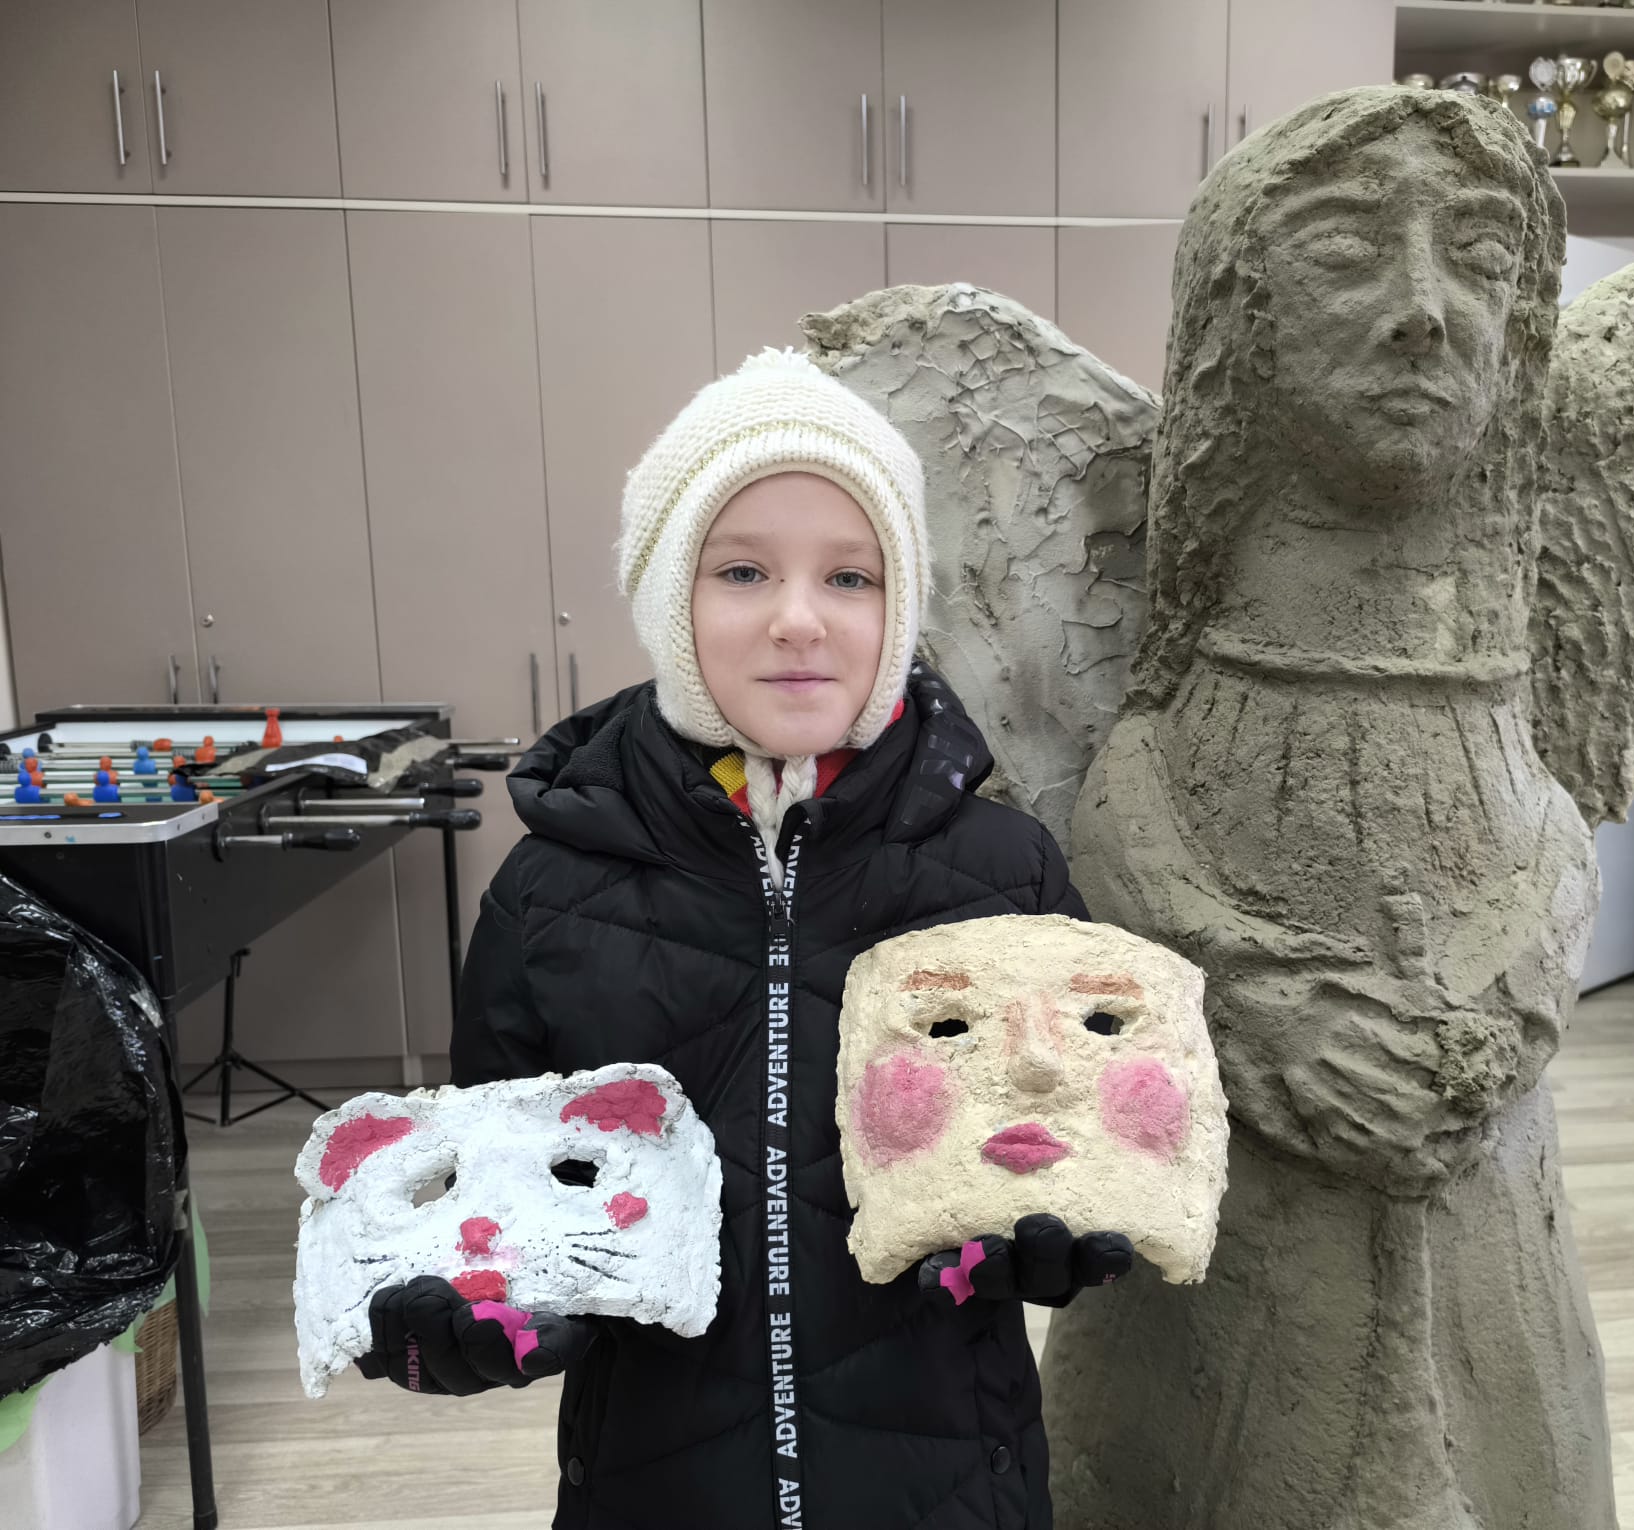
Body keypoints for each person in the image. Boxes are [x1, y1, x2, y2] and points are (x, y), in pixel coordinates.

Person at [353, 348, 1130, 1530]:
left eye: (851, 576)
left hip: (948, 1486)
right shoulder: (548, 894)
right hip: (653, 1489)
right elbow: (492, 1207)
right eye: (743, 570)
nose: (798, 619)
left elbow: (1071, 1136)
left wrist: (1066, 1218)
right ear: (671, 600)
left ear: (900, 606)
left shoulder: (1006, 874)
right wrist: (459, 1318)